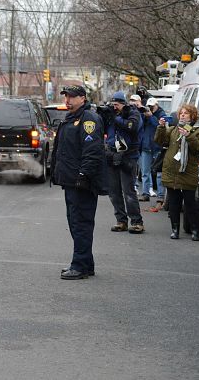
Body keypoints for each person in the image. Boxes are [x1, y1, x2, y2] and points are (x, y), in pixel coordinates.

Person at [51, 85, 106, 280]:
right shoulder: (72, 118)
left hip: (81, 182)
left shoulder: (88, 119)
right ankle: (86, 263)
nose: (68, 100)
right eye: (66, 96)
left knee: (80, 223)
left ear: (83, 98)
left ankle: (79, 265)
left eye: (72, 97)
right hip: (70, 180)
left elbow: (92, 151)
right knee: (76, 223)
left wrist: (83, 175)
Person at [155, 104, 199, 241]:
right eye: (181, 113)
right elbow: (160, 141)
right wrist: (160, 127)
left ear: (192, 116)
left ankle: (195, 230)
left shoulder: (196, 130)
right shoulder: (173, 130)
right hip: (172, 171)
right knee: (174, 204)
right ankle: (175, 230)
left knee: (191, 204)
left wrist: (189, 136)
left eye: (186, 113)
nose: (183, 115)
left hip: (187, 172)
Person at [104, 91, 145, 233]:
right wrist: (104, 115)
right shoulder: (110, 114)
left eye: (116, 105)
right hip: (112, 154)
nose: (114, 108)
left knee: (128, 191)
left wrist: (116, 118)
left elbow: (132, 127)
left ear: (123, 104)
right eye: (112, 105)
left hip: (128, 156)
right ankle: (121, 220)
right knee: (114, 191)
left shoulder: (133, 113)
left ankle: (137, 221)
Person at [136, 95, 165, 202]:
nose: (150, 108)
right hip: (146, 147)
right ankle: (145, 193)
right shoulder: (144, 114)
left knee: (159, 173)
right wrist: (143, 114)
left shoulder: (161, 114)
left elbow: (160, 126)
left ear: (156, 105)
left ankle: (161, 196)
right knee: (145, 172)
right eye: (149, 106)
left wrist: (151, 116)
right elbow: (139, 125)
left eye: (152, 106)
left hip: (157, 147)